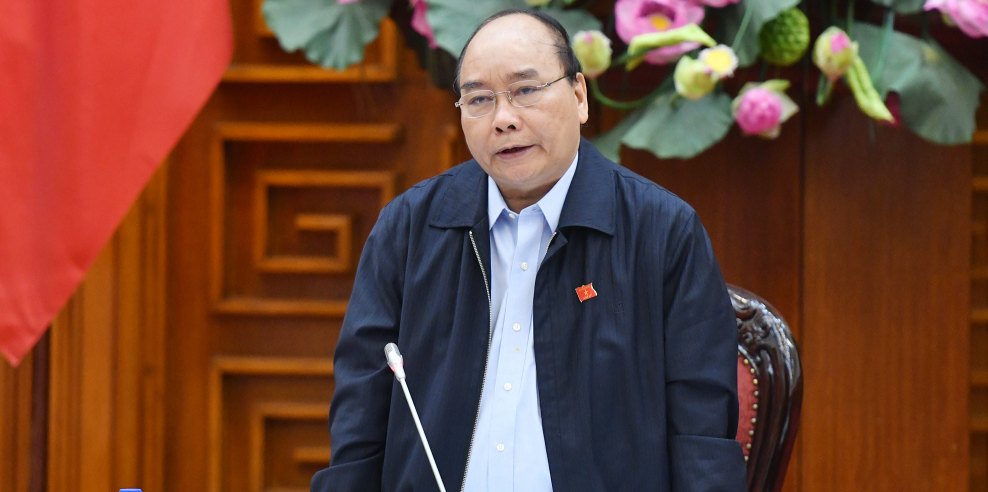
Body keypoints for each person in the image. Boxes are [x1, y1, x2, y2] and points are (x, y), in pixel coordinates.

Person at [311, 9, 746, 492]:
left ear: (579, 96)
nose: (503, 120)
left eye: (525, 90)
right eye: (479, 99)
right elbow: (359, 420)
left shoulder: (662, 232)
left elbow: (703, 441)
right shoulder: (409, 227)